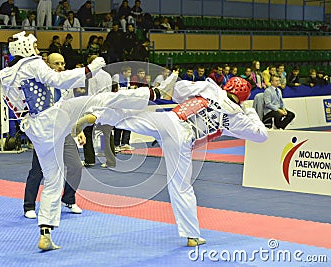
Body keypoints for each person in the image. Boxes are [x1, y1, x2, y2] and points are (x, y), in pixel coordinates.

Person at [0, 31, 162, 251]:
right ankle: (147, 94)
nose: (39, 50)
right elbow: (56, 80)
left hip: (35, 128)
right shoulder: (32, 64)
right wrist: (89, 70)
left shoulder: (7, 74)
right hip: (51, 118)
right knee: (98, 99)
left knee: (53, 179)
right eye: (35, 46)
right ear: (26, 48)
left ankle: (45, 231)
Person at [77, 73, 268, 247]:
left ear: (228, 87)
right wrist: (250, 112)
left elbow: (178, 89)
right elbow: (261, 135)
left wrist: (188, 97)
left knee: (131, 117)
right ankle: (192, 235)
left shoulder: (211, 89)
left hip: (170, 120)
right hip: (183, 141)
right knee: (181, 186)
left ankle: (98, 115)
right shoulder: (237, 117)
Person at [23, 53, 83, 219]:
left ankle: (68, 199)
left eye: (63, 63)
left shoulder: (66, 86)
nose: (61, 66)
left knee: (76, 167)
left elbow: (71, 109)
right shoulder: (39, 84)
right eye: (56, 63)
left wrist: (79, 129)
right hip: (45, 134)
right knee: (38, 170)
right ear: (47, 65)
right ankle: (29, 205)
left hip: (64, 131)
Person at [81, 55, 116, 168]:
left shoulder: (92, 75)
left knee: (88, 132)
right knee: (107, 134)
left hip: (94, 106)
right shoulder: (107, 75)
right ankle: (111, 161)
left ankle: (90, 159)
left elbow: (91, 93)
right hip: (106, 106)